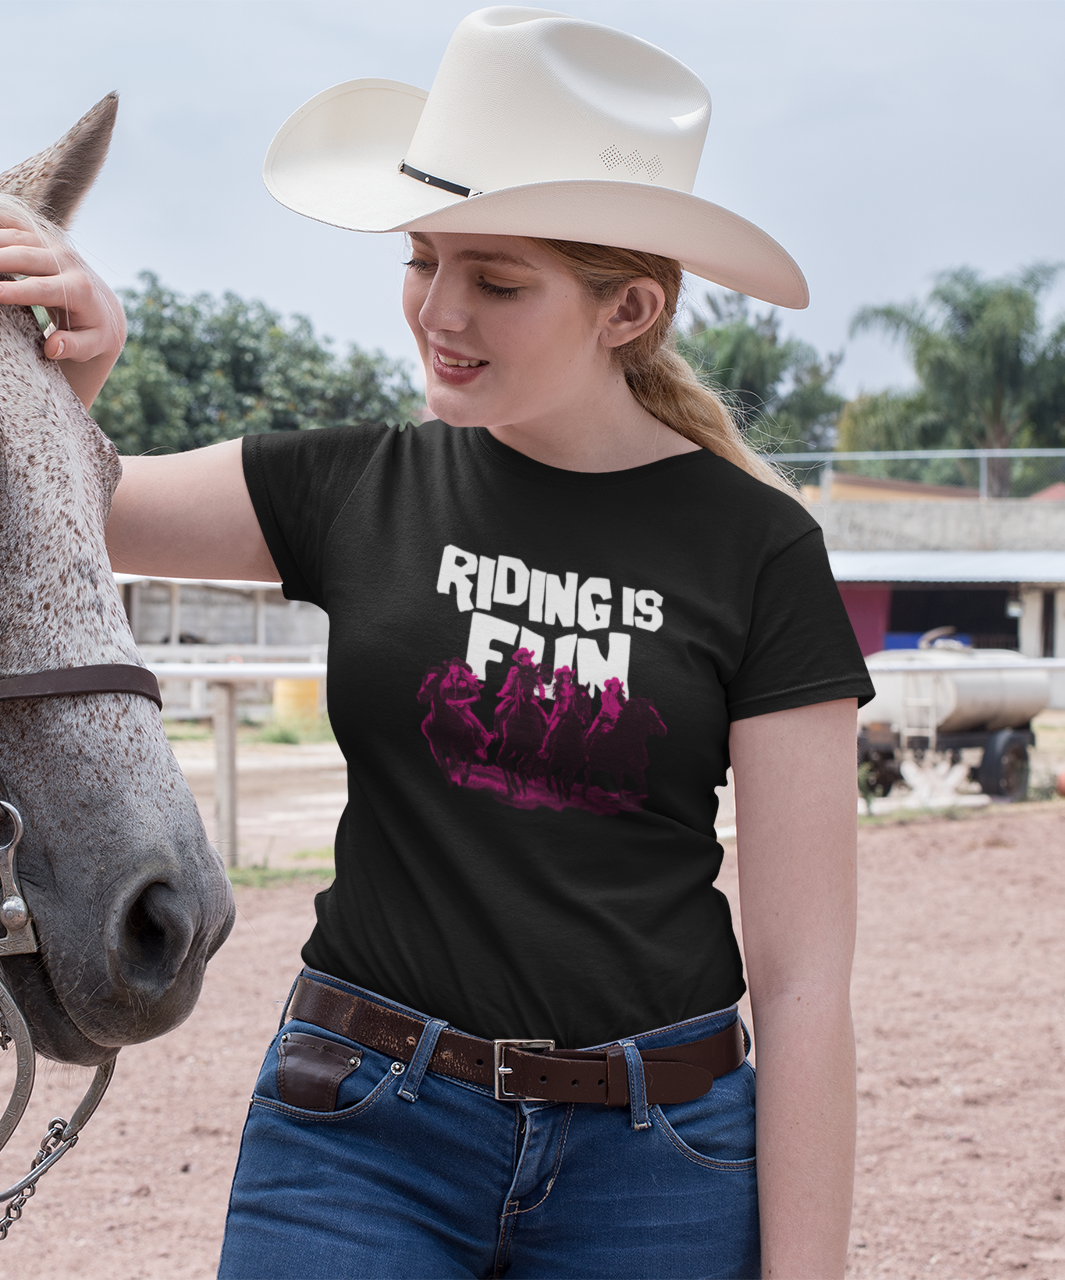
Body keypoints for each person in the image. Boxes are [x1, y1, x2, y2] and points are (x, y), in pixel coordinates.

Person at [0, 9, 874, 1278]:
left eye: (499, 280)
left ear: (629, 306)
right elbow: (48, 517)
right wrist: (82, 360)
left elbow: (801, 985)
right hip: (359, 1130)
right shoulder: (354, 486)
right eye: (423, 258)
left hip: (661, 1159)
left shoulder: (762, 554)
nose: (438, 311)